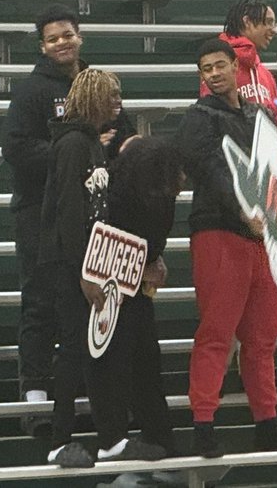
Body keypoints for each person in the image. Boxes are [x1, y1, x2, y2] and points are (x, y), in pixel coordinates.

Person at [176, 38, 277, 456]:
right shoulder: (198, 117)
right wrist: (241, 209)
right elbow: (208, 169)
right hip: (219, 231)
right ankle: (203, 426)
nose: (213, 74)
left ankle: (266, 423)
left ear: (236, 67)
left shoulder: (259, 113)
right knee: (217, 334)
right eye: (206, 69)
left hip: (262, 233)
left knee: (263, 338)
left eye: (219, 66)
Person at [1, 5, 134, 427]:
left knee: (91, 302)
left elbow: (124, 135)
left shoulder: (98, 84)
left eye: (68, 35)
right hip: (39, 212)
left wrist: (112, 150)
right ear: (42, 46)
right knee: (40, 300)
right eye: (53, 37)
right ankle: (35, 392)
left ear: (81, 37)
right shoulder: (31, 91)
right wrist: (75, 151)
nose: (62, 42)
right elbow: (16, 149)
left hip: (98, 210)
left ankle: (92, 390)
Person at [40, 69, 165, 467]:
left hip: (93, 260)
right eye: (111, 95)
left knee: (97, 351)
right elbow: (69, 212)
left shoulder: (93, 142)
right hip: (71, 263)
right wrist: (84, 271)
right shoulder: (74, 143)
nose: (118, 102)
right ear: (92, 97)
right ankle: (59, 442)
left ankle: (112, 439)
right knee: (76, 350)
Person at [92, 136, 184, 461]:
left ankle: (157, 437)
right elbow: (103, 244)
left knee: (145, 358)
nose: (180, 181)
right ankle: (114, 438)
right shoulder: (117, 197)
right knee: (118, 360)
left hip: (133, 283)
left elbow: (151, 243)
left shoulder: (150, 194)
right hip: (109, 286)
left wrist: (150, 261)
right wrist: (143, 264)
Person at [205, 0, 277, 122]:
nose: (273, 30)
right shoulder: (218, 66)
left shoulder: (265, 74)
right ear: (247, 22)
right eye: (268, 22)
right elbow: (219, 117)